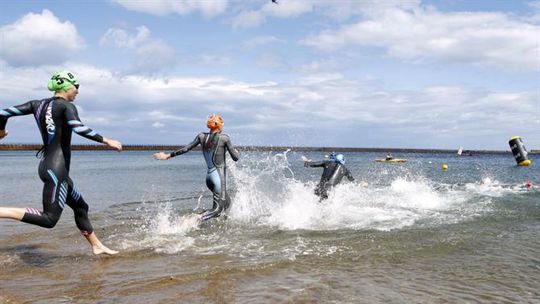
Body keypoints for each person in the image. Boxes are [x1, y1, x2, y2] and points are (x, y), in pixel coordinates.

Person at [0, 70, 122, 255]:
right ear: (66, 86)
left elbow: (3, 112)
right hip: (56, 170)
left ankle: (97, 245)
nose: (78, 92)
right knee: (49, 219)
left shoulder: (37, 104)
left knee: (81, 207)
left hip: (51, 167)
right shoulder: (66, 106)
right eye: (76, 87)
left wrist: (1, 131)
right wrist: (106, 140)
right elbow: (77, 127)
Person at [153, 114, 240, 221]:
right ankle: (194, 219)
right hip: (218, 178)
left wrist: (167, 156)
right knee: (217, 209)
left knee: (226, 203)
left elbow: (186, 149)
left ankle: (221, 224)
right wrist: (237, 152)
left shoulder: (201, 136)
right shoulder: (224, 138)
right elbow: (235, 158)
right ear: (219, 125)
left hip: (209, 178)